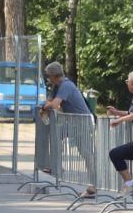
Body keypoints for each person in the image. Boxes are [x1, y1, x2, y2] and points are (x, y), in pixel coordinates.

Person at [40, 61, 97, 194]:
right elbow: (50, 101)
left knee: (86, 153)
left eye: (49, 76)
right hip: (72, 122)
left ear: (54, 75)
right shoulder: (57, 86)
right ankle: (56, 166)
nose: (48, 79)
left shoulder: (66, 85)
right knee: (55, 135)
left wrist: (44, 107)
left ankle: (94, 183)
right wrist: (45, 107)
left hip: (82, 122)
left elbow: (55, 104)